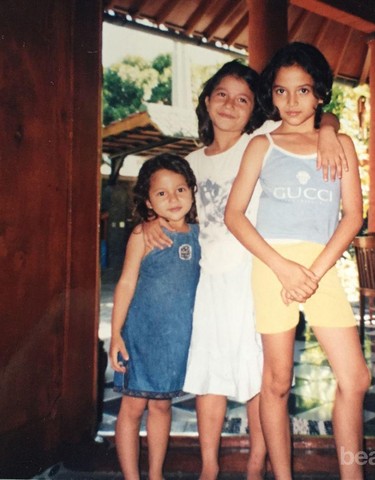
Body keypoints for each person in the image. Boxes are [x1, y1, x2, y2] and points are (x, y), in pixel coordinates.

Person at [143, 60, 346, 480]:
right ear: (206, 101)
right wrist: (149, 222)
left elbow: (314, 114)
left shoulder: (260, 141)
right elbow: (164, 200)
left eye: (242, 99)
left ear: (255, 108)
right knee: (209, 374)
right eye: (222, 95)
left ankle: (256, 465)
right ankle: (210, 467)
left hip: (254, 272)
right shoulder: (189, 163)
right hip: (207, 281)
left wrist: (328, 129)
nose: (230, 105)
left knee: (260, 376)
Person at [224, 42, 371, 480]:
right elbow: (234, 215)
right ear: (271, 94)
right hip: (273, 268)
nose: (291, 101)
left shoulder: (339, 143)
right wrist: (283, 268)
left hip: (321, 267)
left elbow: (353, 216)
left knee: (356, 378)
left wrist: (314, 272)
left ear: (320, 93)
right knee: (277, 381)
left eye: (303, 90)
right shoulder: (262, 145)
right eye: (281, 91)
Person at [109, 153, 201, 480]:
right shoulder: (143, 235)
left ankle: (156, 474)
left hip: (174, 340)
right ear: (148, 202)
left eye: (180, 189)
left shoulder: (199, 235)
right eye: (162, 193)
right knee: (133, 407)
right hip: (140, 337)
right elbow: (126, 283)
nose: (173, 199)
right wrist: (115, 334)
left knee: (162, 405)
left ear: (192, 192)